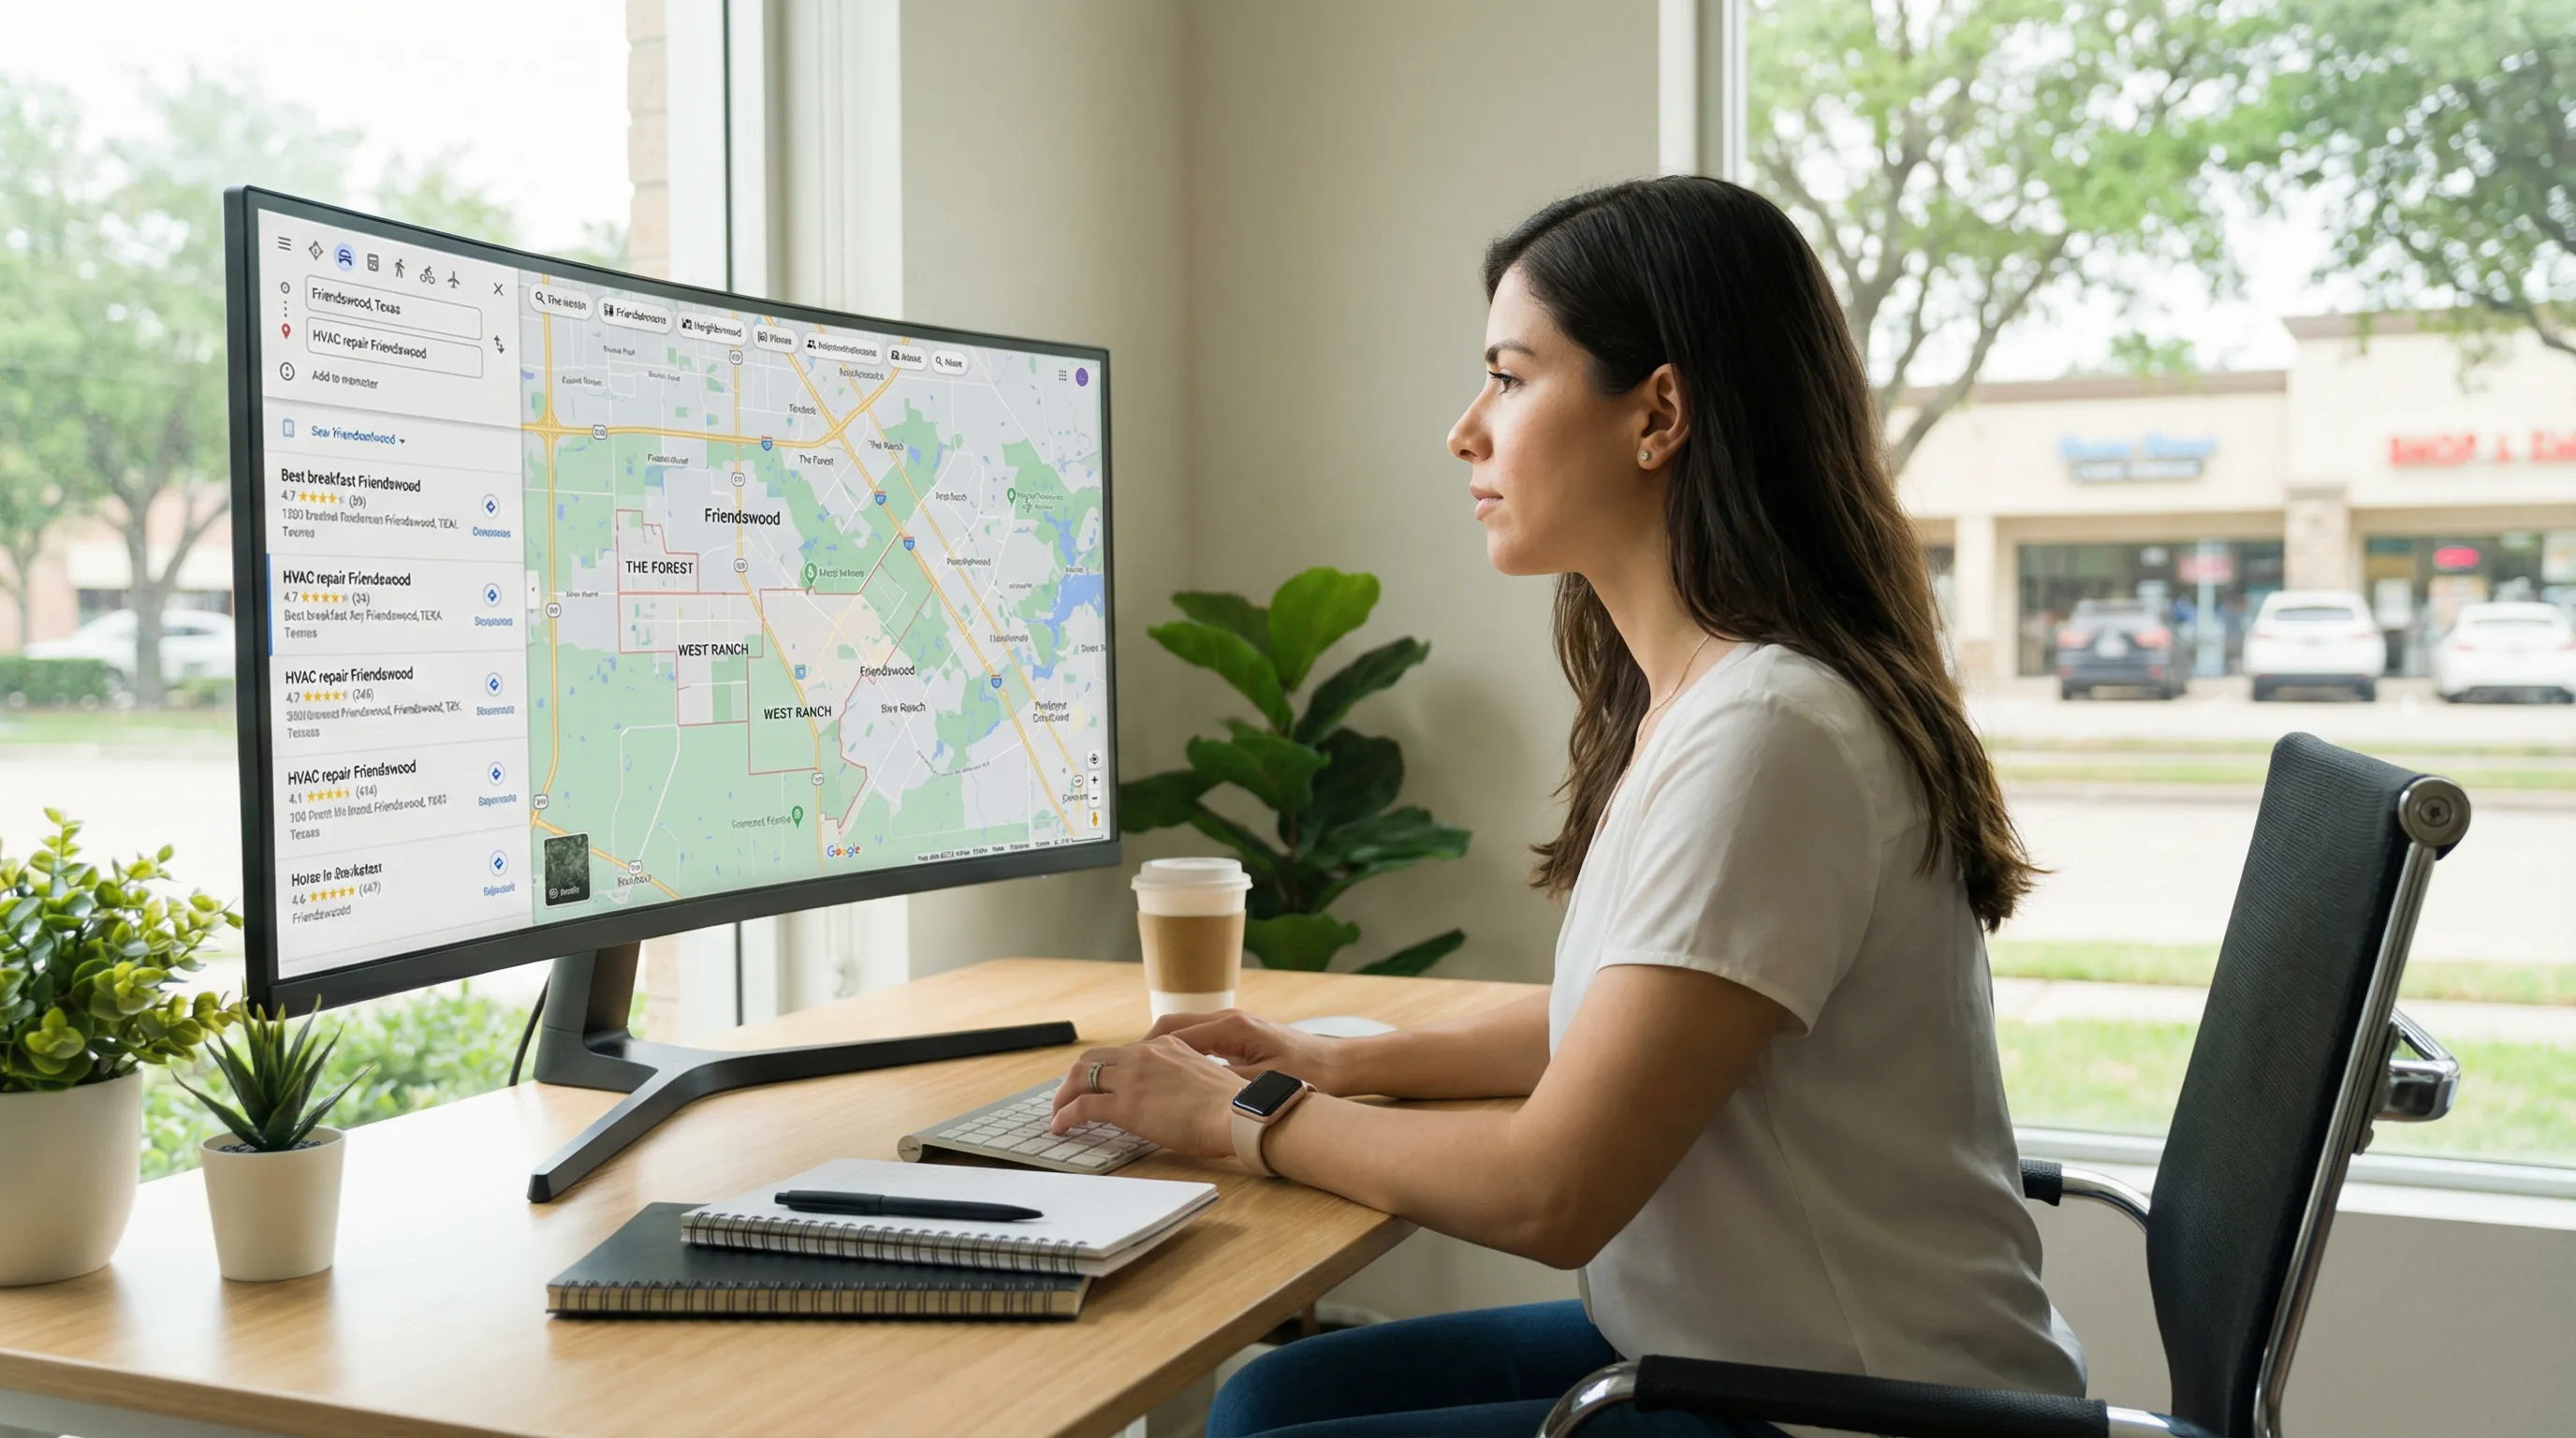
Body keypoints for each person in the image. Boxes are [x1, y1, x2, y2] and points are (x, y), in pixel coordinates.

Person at [1046, 176, 2085, 1437]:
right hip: (1725, 1347)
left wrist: (1244, 1117)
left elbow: (1555, 1193)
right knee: (1267, 1396)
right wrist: (1335, 1059)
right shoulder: (1709, 699)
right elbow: (1629, 1019)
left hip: (1844, 1412)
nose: (1465, 430)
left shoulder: (1771, 735)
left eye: (1512, 376)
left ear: (1658, 414)